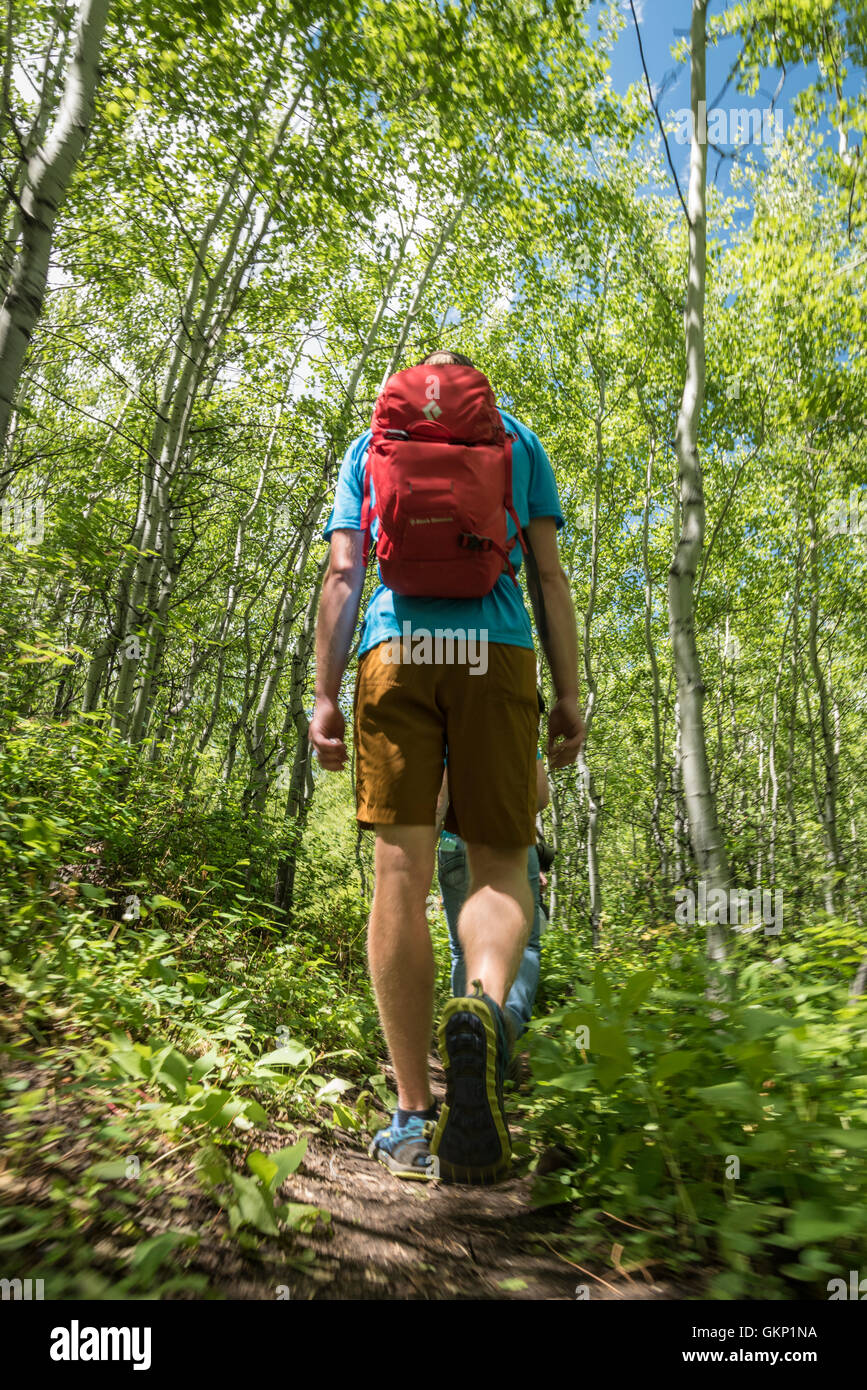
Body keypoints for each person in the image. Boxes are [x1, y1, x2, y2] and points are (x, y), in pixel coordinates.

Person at [309, 349, 583, 1184]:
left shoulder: (371, 447)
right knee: (502, 864)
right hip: (494, 652)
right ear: (476, 392)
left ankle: (409, 1119)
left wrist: (324, 693)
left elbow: (345, 570)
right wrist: (568, 696)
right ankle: (487, 1010)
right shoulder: (516, 441)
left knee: (400, 872)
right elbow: (547, 575)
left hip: (396, 651)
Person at [436, 753, 551, 1050]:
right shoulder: (515, 713)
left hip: (453, 842)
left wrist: (422, 858)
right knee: (525, 944)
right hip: (510, 838)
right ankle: (504, 1028)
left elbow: (439, 801)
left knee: (462, 950)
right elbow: (539, 796)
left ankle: (467, 1037)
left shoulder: (442, 717)